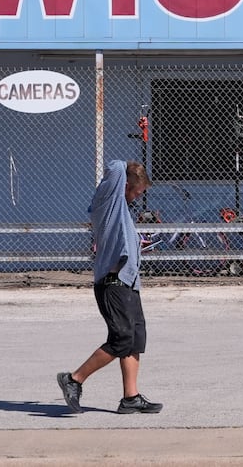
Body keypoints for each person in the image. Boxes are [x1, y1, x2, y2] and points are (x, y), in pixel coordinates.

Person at [57, 159, 164, 415]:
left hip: (127, 283)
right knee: (121, 339)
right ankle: (73, 379)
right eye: (137, 191)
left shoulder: (123, 209)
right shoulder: (108, 203)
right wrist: (132, 167)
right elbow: (116, 166)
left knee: (135, 339)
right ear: (125, 185)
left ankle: (131, 398)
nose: (139, 196)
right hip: (112, 284)